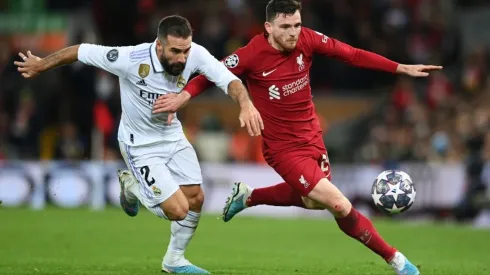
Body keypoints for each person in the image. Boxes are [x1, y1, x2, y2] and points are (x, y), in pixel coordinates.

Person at [152, 1, 443, 274]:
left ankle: (250, 196)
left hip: (312, 138)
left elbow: (352, 54)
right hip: (282, 149)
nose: (293, 33)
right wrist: (183, 97)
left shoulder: (308, 39)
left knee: (316, 202)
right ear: (268, 27)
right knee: (339, 204)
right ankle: (398, 261)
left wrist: (399, 67)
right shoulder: (251, 54)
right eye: (285, 27)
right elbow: (210, 74)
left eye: (297, 25)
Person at [14, 15, 263, 274]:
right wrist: (42, 64)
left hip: (172, 136)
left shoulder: (195, 54)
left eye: (185, 50)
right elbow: (80, 50)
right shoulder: (131, 59)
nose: (182, 58)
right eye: (175, 51)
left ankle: (174, 260)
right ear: (159, 46)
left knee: (196, 198)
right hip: (139, 145)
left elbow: (230, 80)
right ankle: (131, 187)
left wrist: (245, 105)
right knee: (178, 210)